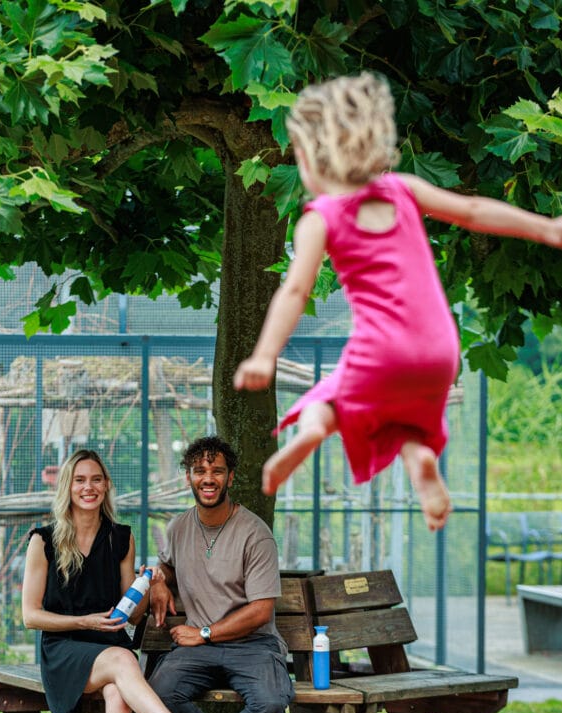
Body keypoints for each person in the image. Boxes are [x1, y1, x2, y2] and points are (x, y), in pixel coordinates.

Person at [234, 71, 562, 531]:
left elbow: (295, 290)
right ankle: (421, 463)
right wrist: (547, 228)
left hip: (383, 353)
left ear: (308, 158)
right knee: (404, 421)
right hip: (439, 351)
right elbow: (472, 211)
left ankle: (309, 433)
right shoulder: (404, 189)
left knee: (325, 402)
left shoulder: (321, 217)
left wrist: (265, 356)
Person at [21, 448, 228, 713]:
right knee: (123, 660)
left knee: (118, 696)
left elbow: (131, 616)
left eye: (96, 480)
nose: (88, 487)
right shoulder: (43, 541)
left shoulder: (121, 537)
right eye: (80, 480)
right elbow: (31, 616)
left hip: (110, 646)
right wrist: (84, 621)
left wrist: (148, 585)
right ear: (67, 487)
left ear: (106, 486)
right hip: (64, 650)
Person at [147, 435, 294, 713]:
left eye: (217, 471)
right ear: (188, 477)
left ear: (231, 477)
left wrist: (204, 633)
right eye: (199, 471)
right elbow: (167, 565)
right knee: (158, 693)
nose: (208, 479)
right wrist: (158, 581)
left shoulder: (255, 533)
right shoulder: (178, 527)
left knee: (271, 701)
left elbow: (260, 611)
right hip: (198, 651)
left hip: (252, 645)